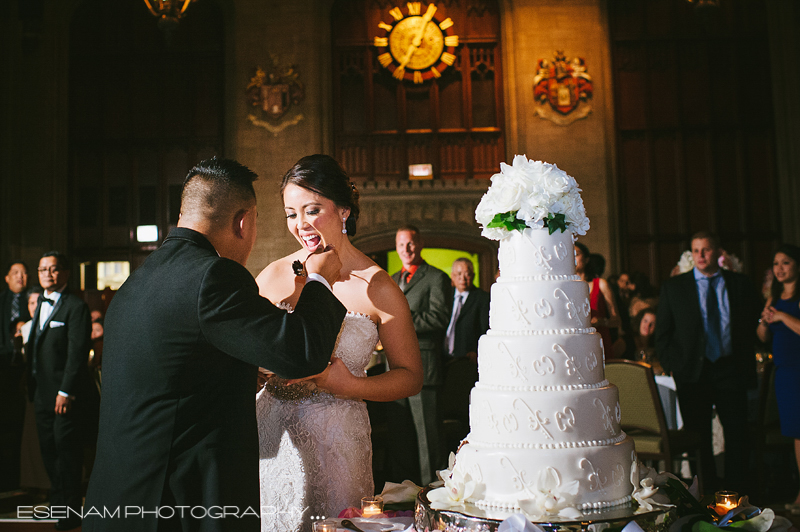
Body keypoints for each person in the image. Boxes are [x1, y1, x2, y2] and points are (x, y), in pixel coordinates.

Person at [83, 157, 348, 532]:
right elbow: (301, 353)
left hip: (120, 499)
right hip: (179, 504)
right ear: (243, 221)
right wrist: (319, 282)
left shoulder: (138, 281)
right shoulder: (214, 276)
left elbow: (178, 370)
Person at [254, 154, 422, 532]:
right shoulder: (274, 274)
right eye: (291, 214)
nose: (301, 225)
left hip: (336, 441)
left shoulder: (378, 287)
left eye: (312, 210)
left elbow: (410, 376)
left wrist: (351, 386)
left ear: (343, 210)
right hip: (270, 433)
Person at [656, 231, 759, 493]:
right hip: (692, 372)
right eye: (696, 250)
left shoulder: (740, 284)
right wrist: (673, 364)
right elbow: (663, 334)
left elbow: (751, 327)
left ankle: (736, 494)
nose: (701, 255)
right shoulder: (675, 287)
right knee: (698, 437)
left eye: (706, 249)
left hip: (731, 369)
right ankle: (706, 494)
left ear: (718, 252)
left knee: (737, 434)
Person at [26, 252, 97, 531]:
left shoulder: (75, 307)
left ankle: (70, 512)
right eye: (43, 269)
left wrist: (66, 391)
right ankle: (57, 504)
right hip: (40, 394)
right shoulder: (38, 303)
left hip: (63, 396)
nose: (48, 274)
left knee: (67, 452)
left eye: (54, 269)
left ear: (65, 273)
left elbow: (77, 354)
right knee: (48, 451)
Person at [390, 225, 451, 485]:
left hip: (424, 366)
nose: (406, 248)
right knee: (400, 436)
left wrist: (398, 321)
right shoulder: (392, 279)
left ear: (420, 244)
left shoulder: (436, 277)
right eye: (401, 244)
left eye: (411, 243)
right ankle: (403, 496)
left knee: (429, 438)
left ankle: (434, 494)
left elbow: (438, 318)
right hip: (393, 368)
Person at [756, 244, 800, 510]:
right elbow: (763, 338)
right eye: (776, 263)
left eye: (785, 262)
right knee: (796, 434)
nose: (779, 268)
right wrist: (764, 321)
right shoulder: (773, 297)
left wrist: (783, 316)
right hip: (784, 373)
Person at [440, 258, 489, 452]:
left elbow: (486, 329)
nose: (463, 277)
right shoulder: (445, 297)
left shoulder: (482, 298)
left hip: (466, 364)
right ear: (452, 277)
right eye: (459, 274)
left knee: (464, 412)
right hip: (444, 362)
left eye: (467, 273)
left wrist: (477, 352)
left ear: (473, 275)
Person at [0, 261, 29, 491]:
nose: (21, 277)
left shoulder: (34, 299)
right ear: (7, 278)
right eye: (16, 273)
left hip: (26, 368)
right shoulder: (2, 301)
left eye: (24, 273)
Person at [575, 243, 620, 359]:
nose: (573, 256)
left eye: (577, 254)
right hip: (577, 342)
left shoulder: (600, 284)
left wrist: (602, 321)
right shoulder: (566, 287)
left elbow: (617, 320)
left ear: (586, 259)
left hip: (599, 340)